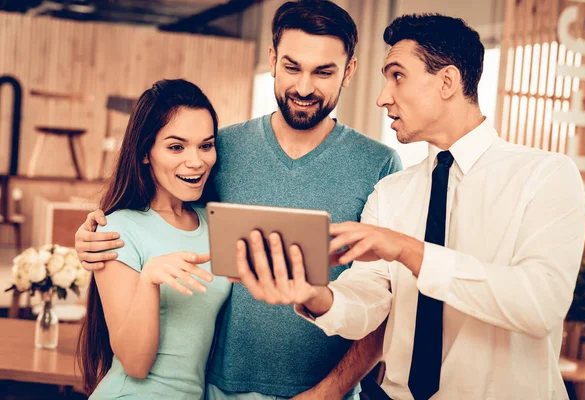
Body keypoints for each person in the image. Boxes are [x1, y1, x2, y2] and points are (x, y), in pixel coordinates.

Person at [234, 14, 585, 400]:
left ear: (448, 82)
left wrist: (409, 251)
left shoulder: (545, 176)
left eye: (397, 76)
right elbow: (367, 301)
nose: (382, 96)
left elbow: (539, 306)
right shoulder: (391, 191)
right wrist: (314, 296)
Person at [74, 1, 403, 399]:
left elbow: (388, 298)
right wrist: (94, 238)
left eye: (324, 71)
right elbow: (166, 220)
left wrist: (330, 391)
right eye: (292, 66)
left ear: (348, 71)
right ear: (272, 60)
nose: (303, 87)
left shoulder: (380, 164)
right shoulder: (218, 150)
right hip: (214, 391)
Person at [76, 79, 231, 399]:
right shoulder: (116, 231)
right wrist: (149, 280)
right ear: (145, 152)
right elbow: (135, 363)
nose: (196, 161)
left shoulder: (218, 223)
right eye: (176, 147)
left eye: (206, 145)